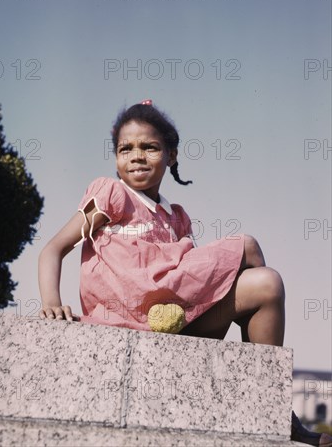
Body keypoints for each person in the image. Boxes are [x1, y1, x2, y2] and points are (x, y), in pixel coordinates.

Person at [38, 100, 331, 447]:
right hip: (123, 317)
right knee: (248, 245)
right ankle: (261, 400)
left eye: (150, 147)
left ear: (172, 156)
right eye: (125, 149)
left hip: (173, 320)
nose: (136, 156)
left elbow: (187, 276)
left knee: (268, 284)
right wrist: (52, 302)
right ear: (115, 158)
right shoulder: (111, 193)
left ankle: (270, 405)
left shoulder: (175, 216)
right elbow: (53, 249)